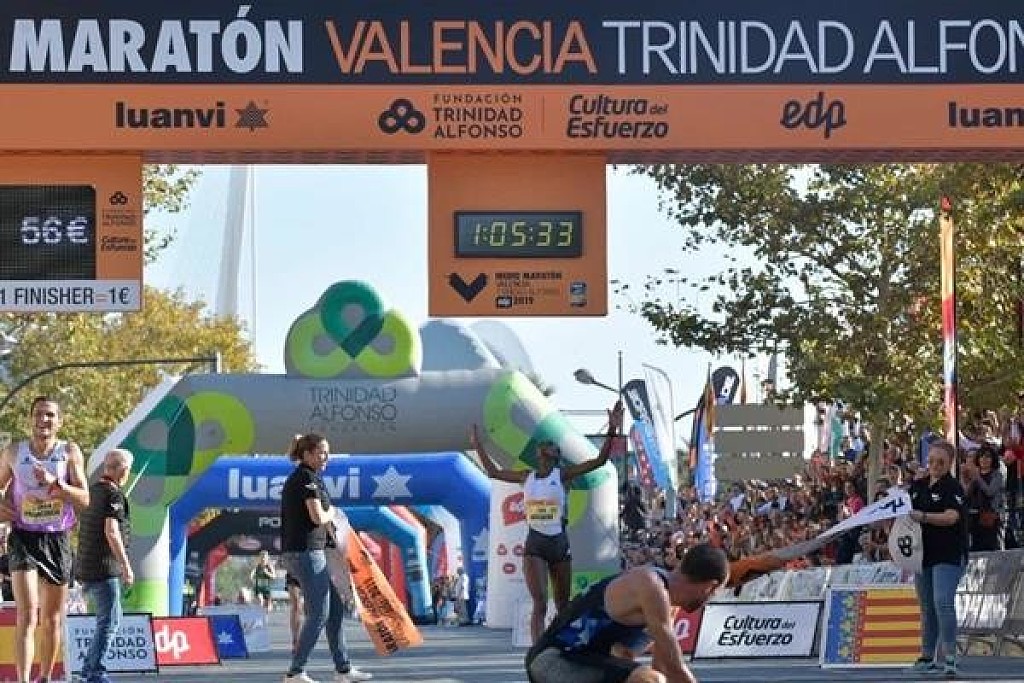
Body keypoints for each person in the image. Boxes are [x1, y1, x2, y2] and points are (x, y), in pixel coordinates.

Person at [471, 399, 625, 643]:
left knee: (563, 605)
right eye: (542, 446)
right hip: (535, 544)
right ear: (538, 455)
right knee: (540, 603)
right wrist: (478, 445)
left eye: (550, 446)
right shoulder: (526, 477)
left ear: (555, 455)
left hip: (559, 544)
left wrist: (612, 430)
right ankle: (538, 649)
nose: (545, 447)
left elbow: (599, 462)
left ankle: (560, 646)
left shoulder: (562, 475)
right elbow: (493, 472)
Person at [525, 543, 728, 683]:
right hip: (552, 660)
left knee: (645, 674)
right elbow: (675, 668)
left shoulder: (668, 606)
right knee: (648, 680)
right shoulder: (650, 586)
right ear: (710, 586)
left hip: (582, 662)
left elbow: (663, 668)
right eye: (714, 593)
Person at [0, 396, 90, 683]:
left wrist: (56, 484)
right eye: (39, 414)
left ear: (59, 422)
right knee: (27, 614)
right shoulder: (14, 452)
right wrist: (3, 509)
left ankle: (45, 677)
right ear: (30, 419)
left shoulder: (69, 452)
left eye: (50, 415)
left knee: (51, 619)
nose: (44, 420)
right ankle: (23, 680)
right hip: (23, 537)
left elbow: (84, 499)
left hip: (57, 538)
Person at [279, 433, 371, 683]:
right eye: (321, 452)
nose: (326, 457)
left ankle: (343, 669)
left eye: (327, 452)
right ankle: (295, 671)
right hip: (306, 551)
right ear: (307, 454)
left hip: (311, 551)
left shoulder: (308, 476)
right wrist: (333, 512)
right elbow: (318, 516)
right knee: (319, 613)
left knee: (335, 609)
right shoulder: (306, 478)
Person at [906, 439, 968, 679]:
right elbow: (903, 512)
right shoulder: (917, 485)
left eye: (941, 462)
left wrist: (923, 516)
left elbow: (951, 517)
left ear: (950, 463)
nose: (935, 465)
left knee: (942, 602)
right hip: (922, 553)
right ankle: (926, 656)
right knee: (927, 607)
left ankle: (950, 656)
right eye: (931, 460)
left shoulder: (953, 488)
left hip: (949, 553)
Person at [76, 448, 134, 683]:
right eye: (129, 470)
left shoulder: (92, 491)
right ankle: (93, 673)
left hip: (86, 565)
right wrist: (126, 566)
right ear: (123, 470)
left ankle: (89, 671)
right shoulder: (113, 495)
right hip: (103, 568)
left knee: (109, 619)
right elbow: (112, 531)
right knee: (108, 622)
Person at [963, 444, 1005, 551]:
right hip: (974, 516)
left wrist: (977, 477)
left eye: (987, 456)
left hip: (989, 517)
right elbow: (966, 494)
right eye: (981, 456)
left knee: (990, 547)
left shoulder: (997, 475)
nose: (984, 459)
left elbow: (990, 492)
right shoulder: (975, 474)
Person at [286, 571, 304, 654]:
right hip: (294, 571)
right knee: (296, 604)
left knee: (302, 608)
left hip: (309, 572)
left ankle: (302, 635)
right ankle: (296, 638)